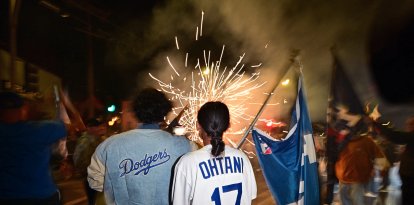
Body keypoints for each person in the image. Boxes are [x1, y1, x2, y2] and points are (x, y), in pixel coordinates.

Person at [87, 87, 194, 205]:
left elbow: (95, 182)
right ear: (164, 113)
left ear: (135, 112)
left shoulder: (108, 146)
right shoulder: (185, 145)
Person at [171, 101, 257, 205]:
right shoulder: (243, 158)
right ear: (228, 125)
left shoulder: (186, 163)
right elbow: (250, 196)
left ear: (198, 125)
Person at [0, 91, 67, 204]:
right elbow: (68, 126)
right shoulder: (38, 130)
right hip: (41, 196)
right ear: (22, 109)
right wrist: (62, 103)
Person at [334, 130, 388, 205]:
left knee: (357, 202)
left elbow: (379, 156)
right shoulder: (341, 141)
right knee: (345, 201)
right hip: (342, 178)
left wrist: (378, 169)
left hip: (358, 179)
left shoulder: (366, 141)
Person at [373, 116, 414, 205]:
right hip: (408, 174)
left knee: (408, 196)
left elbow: (394, 136)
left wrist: (376, 124)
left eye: (410, 125)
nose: (407, 127)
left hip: (410, 175)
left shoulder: (411, 136)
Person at [73, 117, 107, 205]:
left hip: (102, 175)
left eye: (100, 126)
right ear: (89, 128)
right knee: (94, 200)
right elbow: (77, 158)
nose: (99, 128)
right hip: (91, 176)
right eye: (96, 126)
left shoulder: (100, 139)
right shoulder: (85, 141)